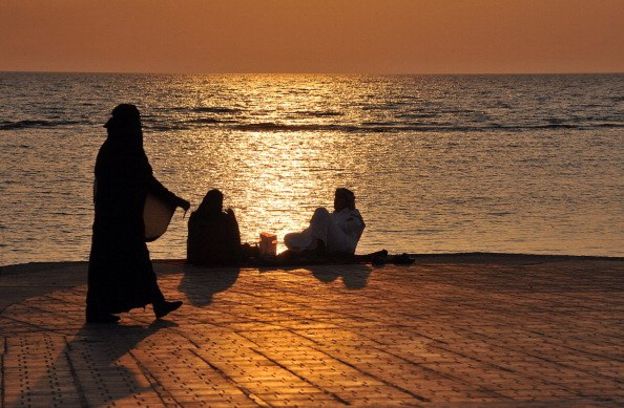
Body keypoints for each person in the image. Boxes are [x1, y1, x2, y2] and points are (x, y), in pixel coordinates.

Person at [86, 104, 190, 323]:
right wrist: (174, 199)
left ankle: (100, 309)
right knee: (136, 261)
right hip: (123, 218)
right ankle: (154, 303)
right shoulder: (127, 147)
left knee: (110, 264)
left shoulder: (111, 145)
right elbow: (146, 180)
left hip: (110, 217)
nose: (139, 127)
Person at [284, 188, 365, 256]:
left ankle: (319, 250)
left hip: (344, 246)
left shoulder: (353, 215)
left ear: (347, 201)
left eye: (339, 198)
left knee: (321, 211)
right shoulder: (332, 215)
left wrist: (326, 224)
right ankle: (306, 250)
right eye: (335, 197)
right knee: (289, 237)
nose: (336, 200)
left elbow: (354, 227)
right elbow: (315, 230)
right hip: (328, 244)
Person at [187, 189, 242, 266]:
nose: (221, 206)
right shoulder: (223, 219)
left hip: (196, 258)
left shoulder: (194, 217)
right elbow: (234, 240)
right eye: (220, 203)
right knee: (246, 251)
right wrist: (233, 219)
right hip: (217, 258)